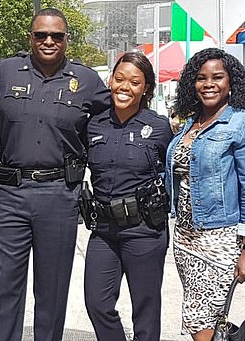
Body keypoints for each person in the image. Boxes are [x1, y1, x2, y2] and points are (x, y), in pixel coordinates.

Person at [0, 7, 110, 341]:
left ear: (67, 39)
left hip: (59, 195)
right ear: (31, 37)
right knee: (6, 288)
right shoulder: (4, 72)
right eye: (41, 34)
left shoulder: (86, 81)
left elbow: (117, 115)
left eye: (57, 35)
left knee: (52, 292)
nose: (49, 41)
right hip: (10, 196)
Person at [165, 48, 245, 340]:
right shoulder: (191, 123)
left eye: (217, 77)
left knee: (200, 318)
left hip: (220, 238)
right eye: (200, 78)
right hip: (185, 237)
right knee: (205, 317)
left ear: (231, 82)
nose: (208, 84)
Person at [84, 52, 172, 340]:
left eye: (135, 82)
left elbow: (174, 175)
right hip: (104, 230)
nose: (125, 87)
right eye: (119, 79)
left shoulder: (158, 127)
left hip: (144, 230)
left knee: (145, 310)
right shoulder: (94, 125)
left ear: (146, 88)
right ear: (110, 81)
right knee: (96, 303)